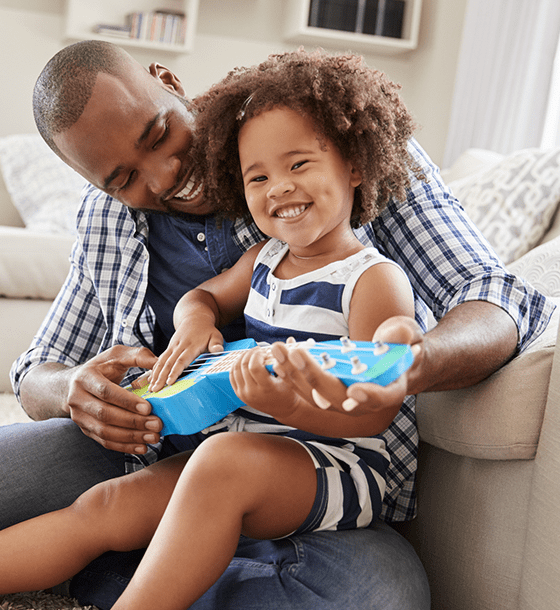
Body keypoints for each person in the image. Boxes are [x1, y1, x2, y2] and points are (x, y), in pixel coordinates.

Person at [0, 40, 551, 609]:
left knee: (380, 594)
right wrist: (73, 390)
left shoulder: (330, 137)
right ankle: (161, 567)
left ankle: (140, 578)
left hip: (310, 469)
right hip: (160, 456)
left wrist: (408, 364)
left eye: (159, 134)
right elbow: (36, 369)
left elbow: (492, 294)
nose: (162, 177)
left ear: (167, 80)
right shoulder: (131, 223)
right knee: (95, 508)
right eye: (122, 178)